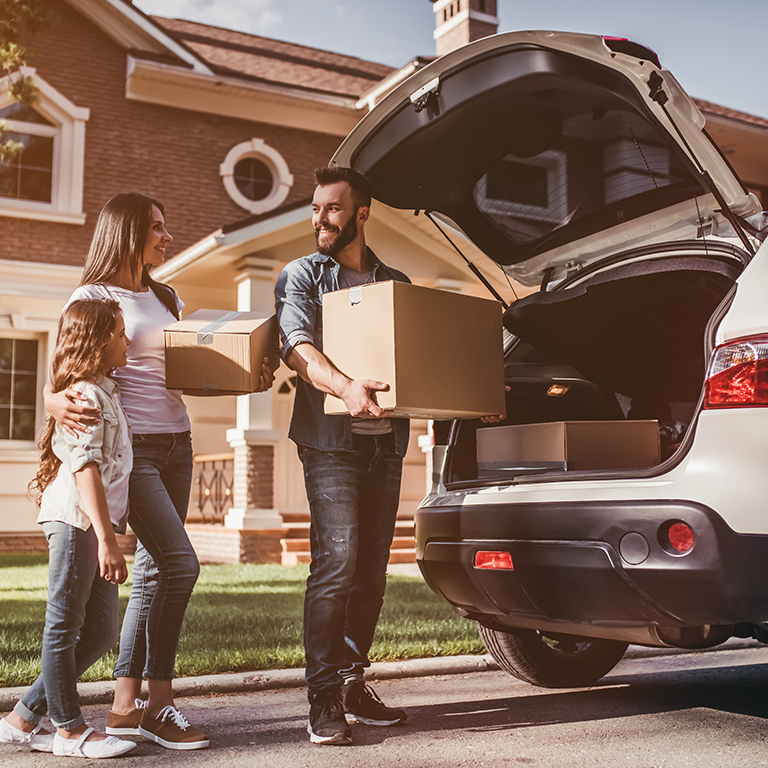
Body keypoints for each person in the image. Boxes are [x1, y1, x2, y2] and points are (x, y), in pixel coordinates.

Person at [44, 192, 274, 752]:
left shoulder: (166, 295)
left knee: (153, 573)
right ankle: (158, 702)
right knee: (180, 565)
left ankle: (126, 705)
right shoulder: (92, 296)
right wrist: (52, 405)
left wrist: (247, 377)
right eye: (157, 228)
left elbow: (178, 375)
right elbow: (64, 372)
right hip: (134, 449)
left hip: (178, 442)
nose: (166, 237)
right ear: (127, 231)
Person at [274, 166, 410, 746]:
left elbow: (421, 359)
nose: (319, 219)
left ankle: (353, 681)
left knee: (371, 573)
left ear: (361, 215)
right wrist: (347, 386)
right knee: (336, 566)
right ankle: (323, 697)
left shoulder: (394, 282)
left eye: (332, 208)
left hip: (387, 446)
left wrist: (473, 398)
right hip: (331, 446)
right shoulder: (302, 275)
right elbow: (298, 346)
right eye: (314, 208)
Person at [0, 299, 137, 759]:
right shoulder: (85, 396)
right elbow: (85, 470)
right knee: (64, 626)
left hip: (93, 522)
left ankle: (22, 718)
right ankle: (68, 728)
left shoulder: (106, 390)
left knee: (99, 632)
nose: (128, 340)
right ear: (99, 341)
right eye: (120, 333)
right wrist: (106, 539)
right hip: (77, 520)